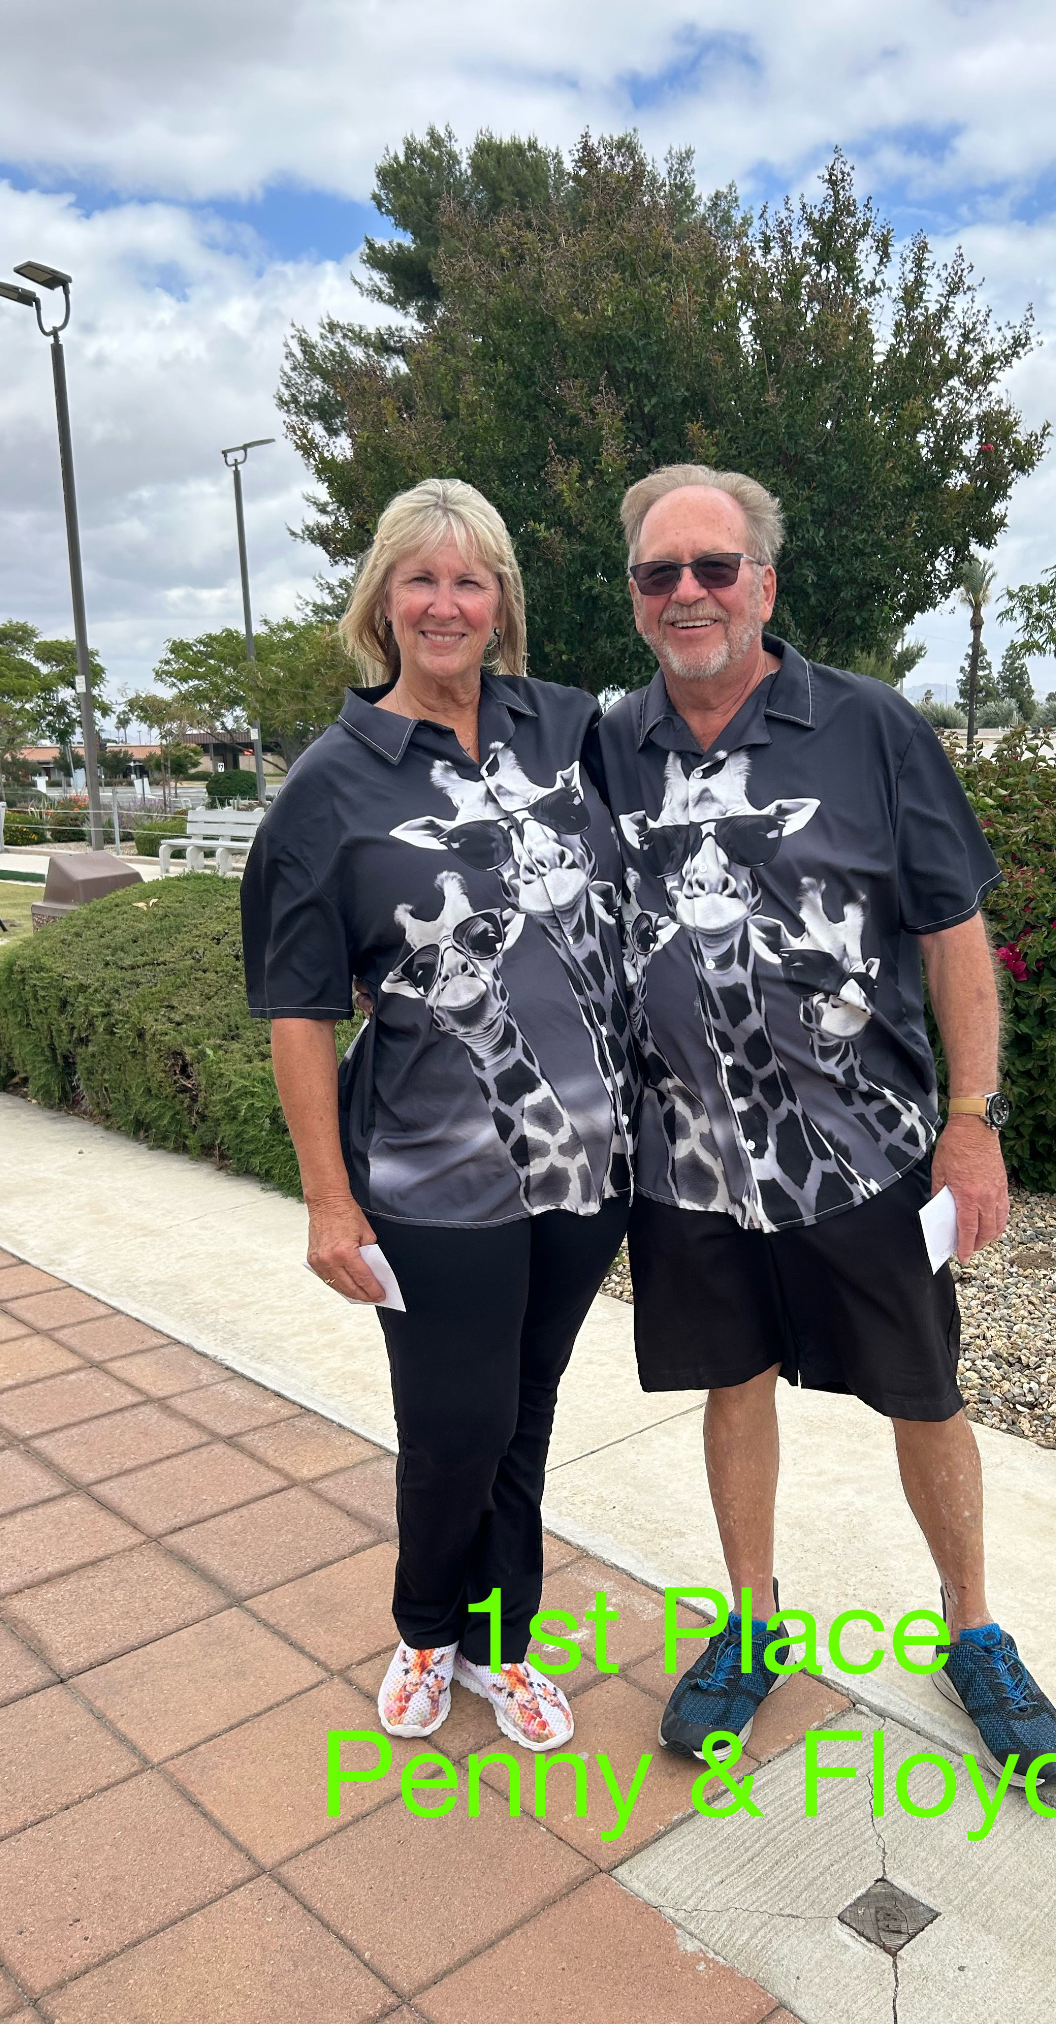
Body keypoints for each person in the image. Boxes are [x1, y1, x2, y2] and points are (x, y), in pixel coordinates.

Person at [595, 462, 1056, 1783]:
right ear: (635, 594)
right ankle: (753, 1622)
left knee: (923, 1389)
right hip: (689, 1161)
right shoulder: (610, 744)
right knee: (731, 1379)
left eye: (715, 566)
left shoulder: (870, 728)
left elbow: (954, 934)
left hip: (863, 1152)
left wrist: (971, 1120)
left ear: (764, 582)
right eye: (659, 572)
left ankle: (972, 1630)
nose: (689, 593)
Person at [241, 478, 633, 1753]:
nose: (447, 603)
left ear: (501, 600)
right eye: (422, 578)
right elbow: (299, 1006)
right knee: (455, 1420)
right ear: (382, 602)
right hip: (430, 1167)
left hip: (587, 1160)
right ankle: (425, 1627)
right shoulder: (332, 782)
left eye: (471, 579)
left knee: (526, 1408)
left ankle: (501, 1641)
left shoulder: (568, 730)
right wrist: (327, 1197)